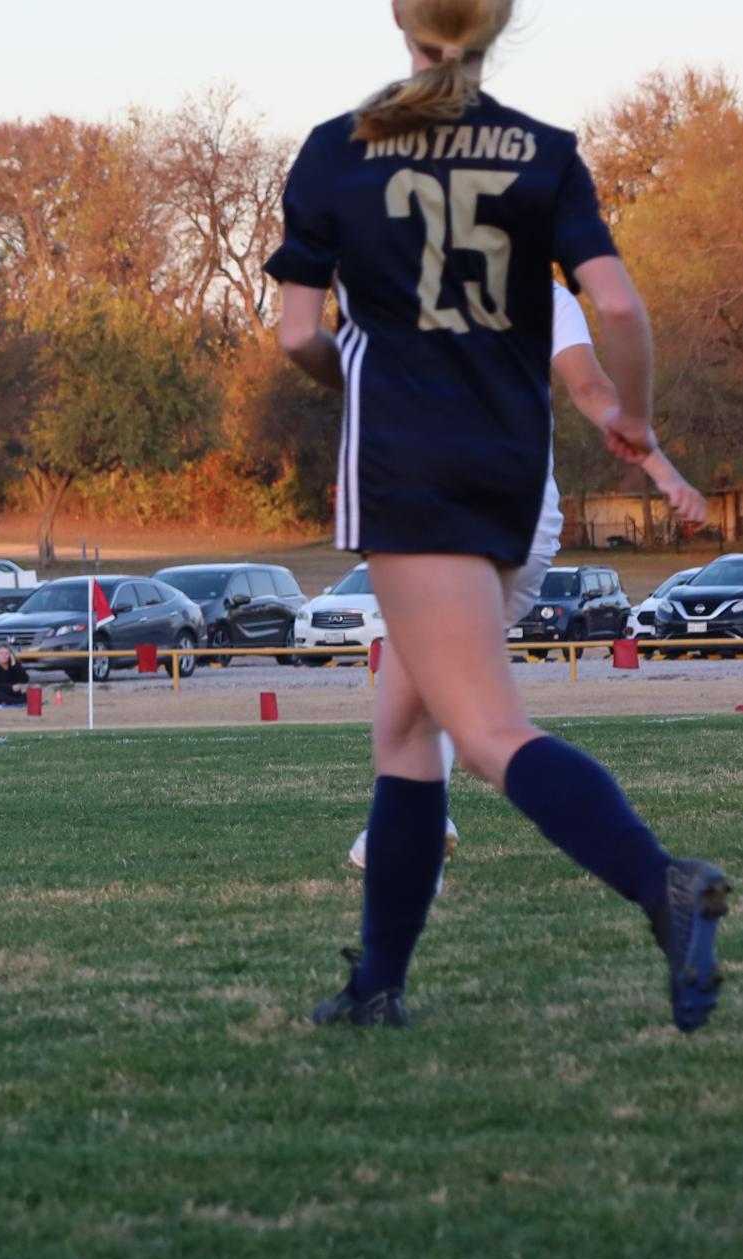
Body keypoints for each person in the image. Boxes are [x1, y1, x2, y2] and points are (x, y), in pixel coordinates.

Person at [267, 0, 726, 1030]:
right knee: (404, 722)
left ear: (400, 15)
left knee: (482, 730)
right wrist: (636, 416)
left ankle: (666, 884)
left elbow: (298, 331)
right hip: (513, 476)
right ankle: (378, 983)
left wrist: (355, 367)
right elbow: (615, 307)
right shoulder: (544, 151)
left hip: (412, 471)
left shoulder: (339, 153)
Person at [344, 283, 705, 889]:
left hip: (452, 510)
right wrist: (662, 470)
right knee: (432, 700)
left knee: (473, 729)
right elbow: (591, 389)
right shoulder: (546, 291)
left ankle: (657, 879)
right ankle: (404, 847)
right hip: (527, 521)